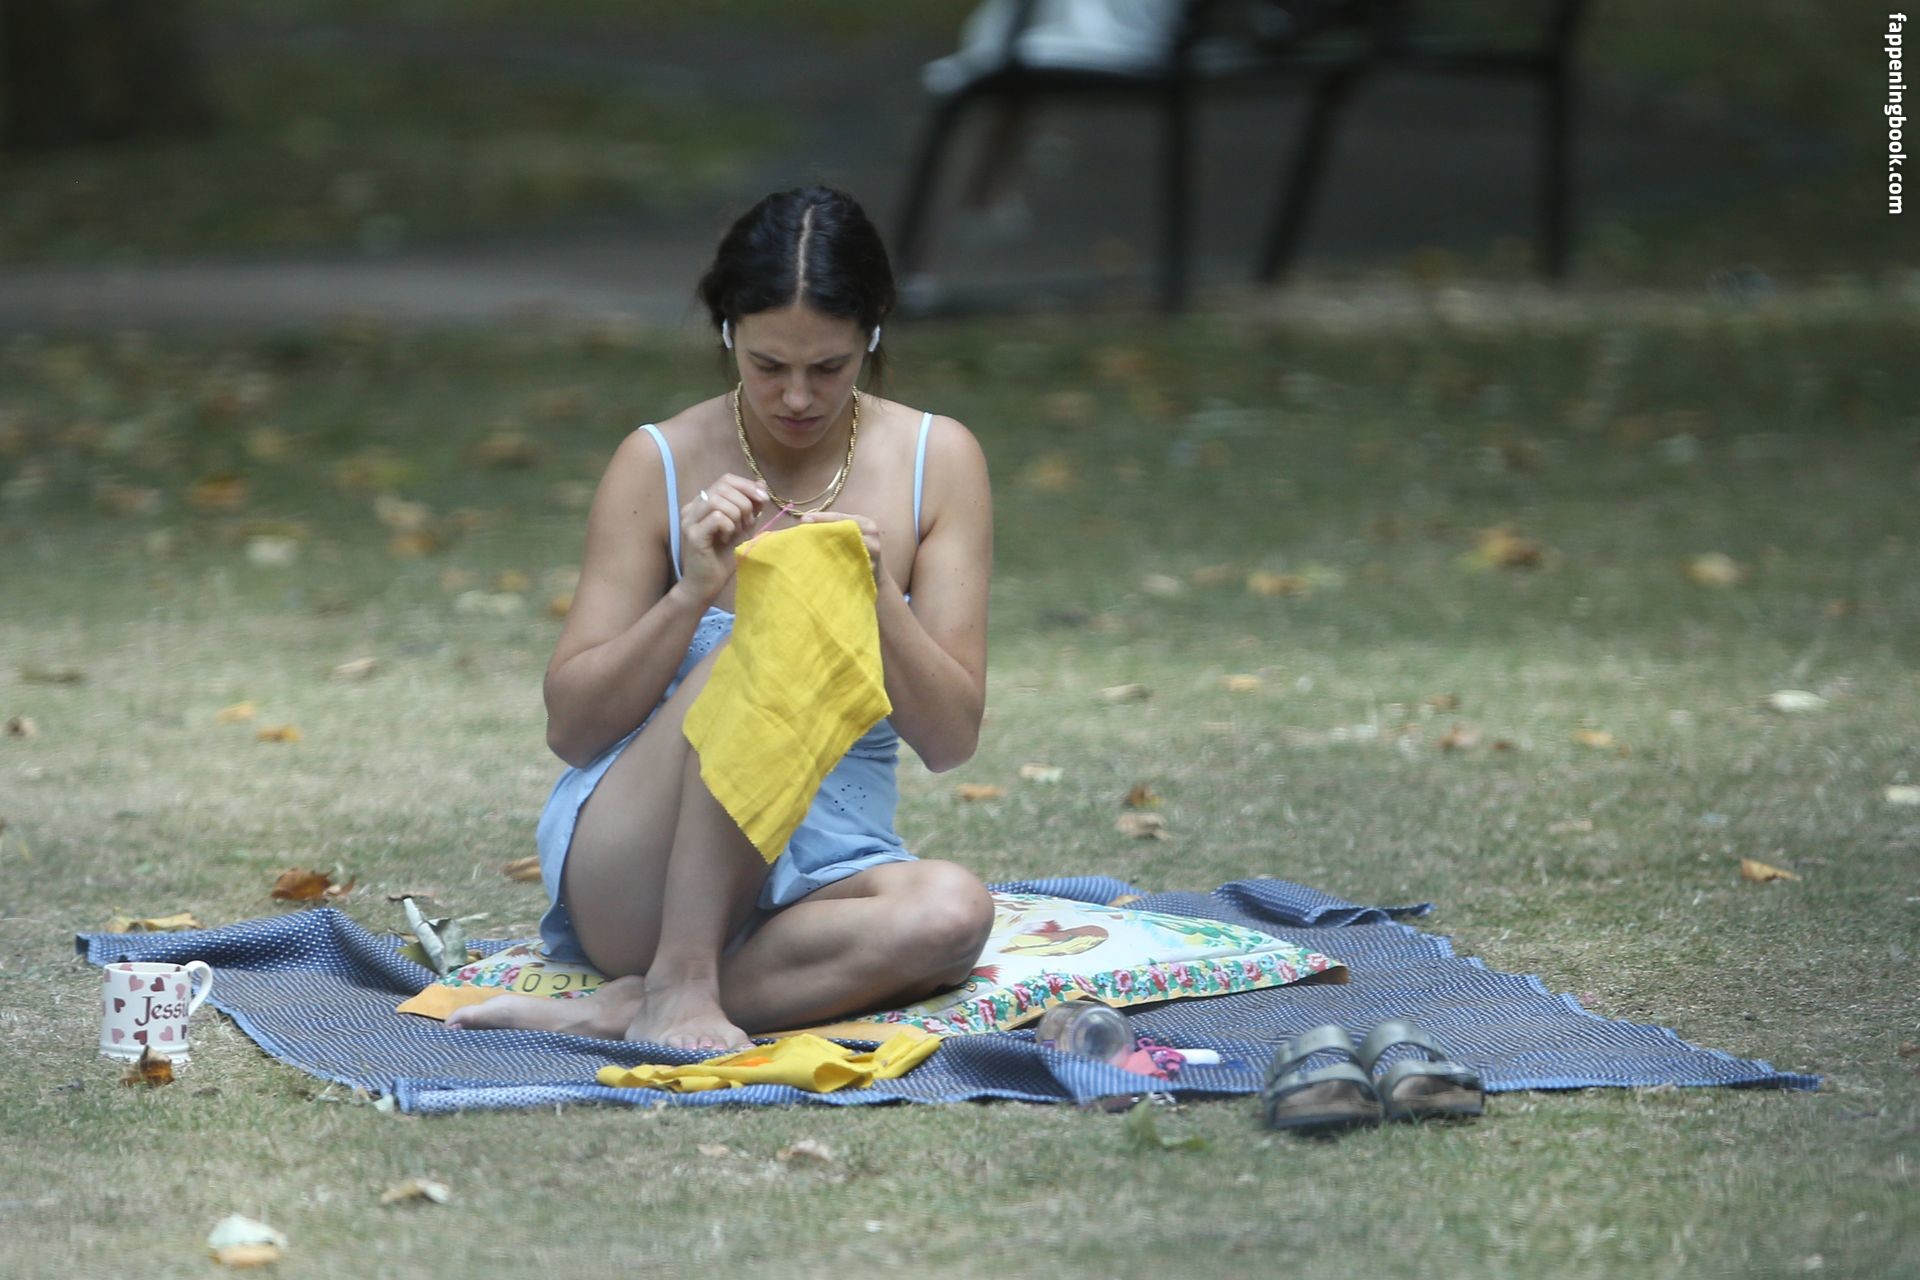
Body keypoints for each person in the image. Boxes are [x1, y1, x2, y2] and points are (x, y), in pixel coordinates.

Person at [449, 187, 996, 1051]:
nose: (797, 397)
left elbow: (951, 740)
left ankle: (633, 1006)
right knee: (782, 609)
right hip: (645, 869)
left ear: (872, 335)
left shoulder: (940, 458)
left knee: (953, 914)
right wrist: (692, 594)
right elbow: (572, 728)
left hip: (825, 869)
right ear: (728, 332)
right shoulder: (658, 460)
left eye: (830, 368)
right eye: (768, 365)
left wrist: (873, 599)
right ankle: (678, 972)